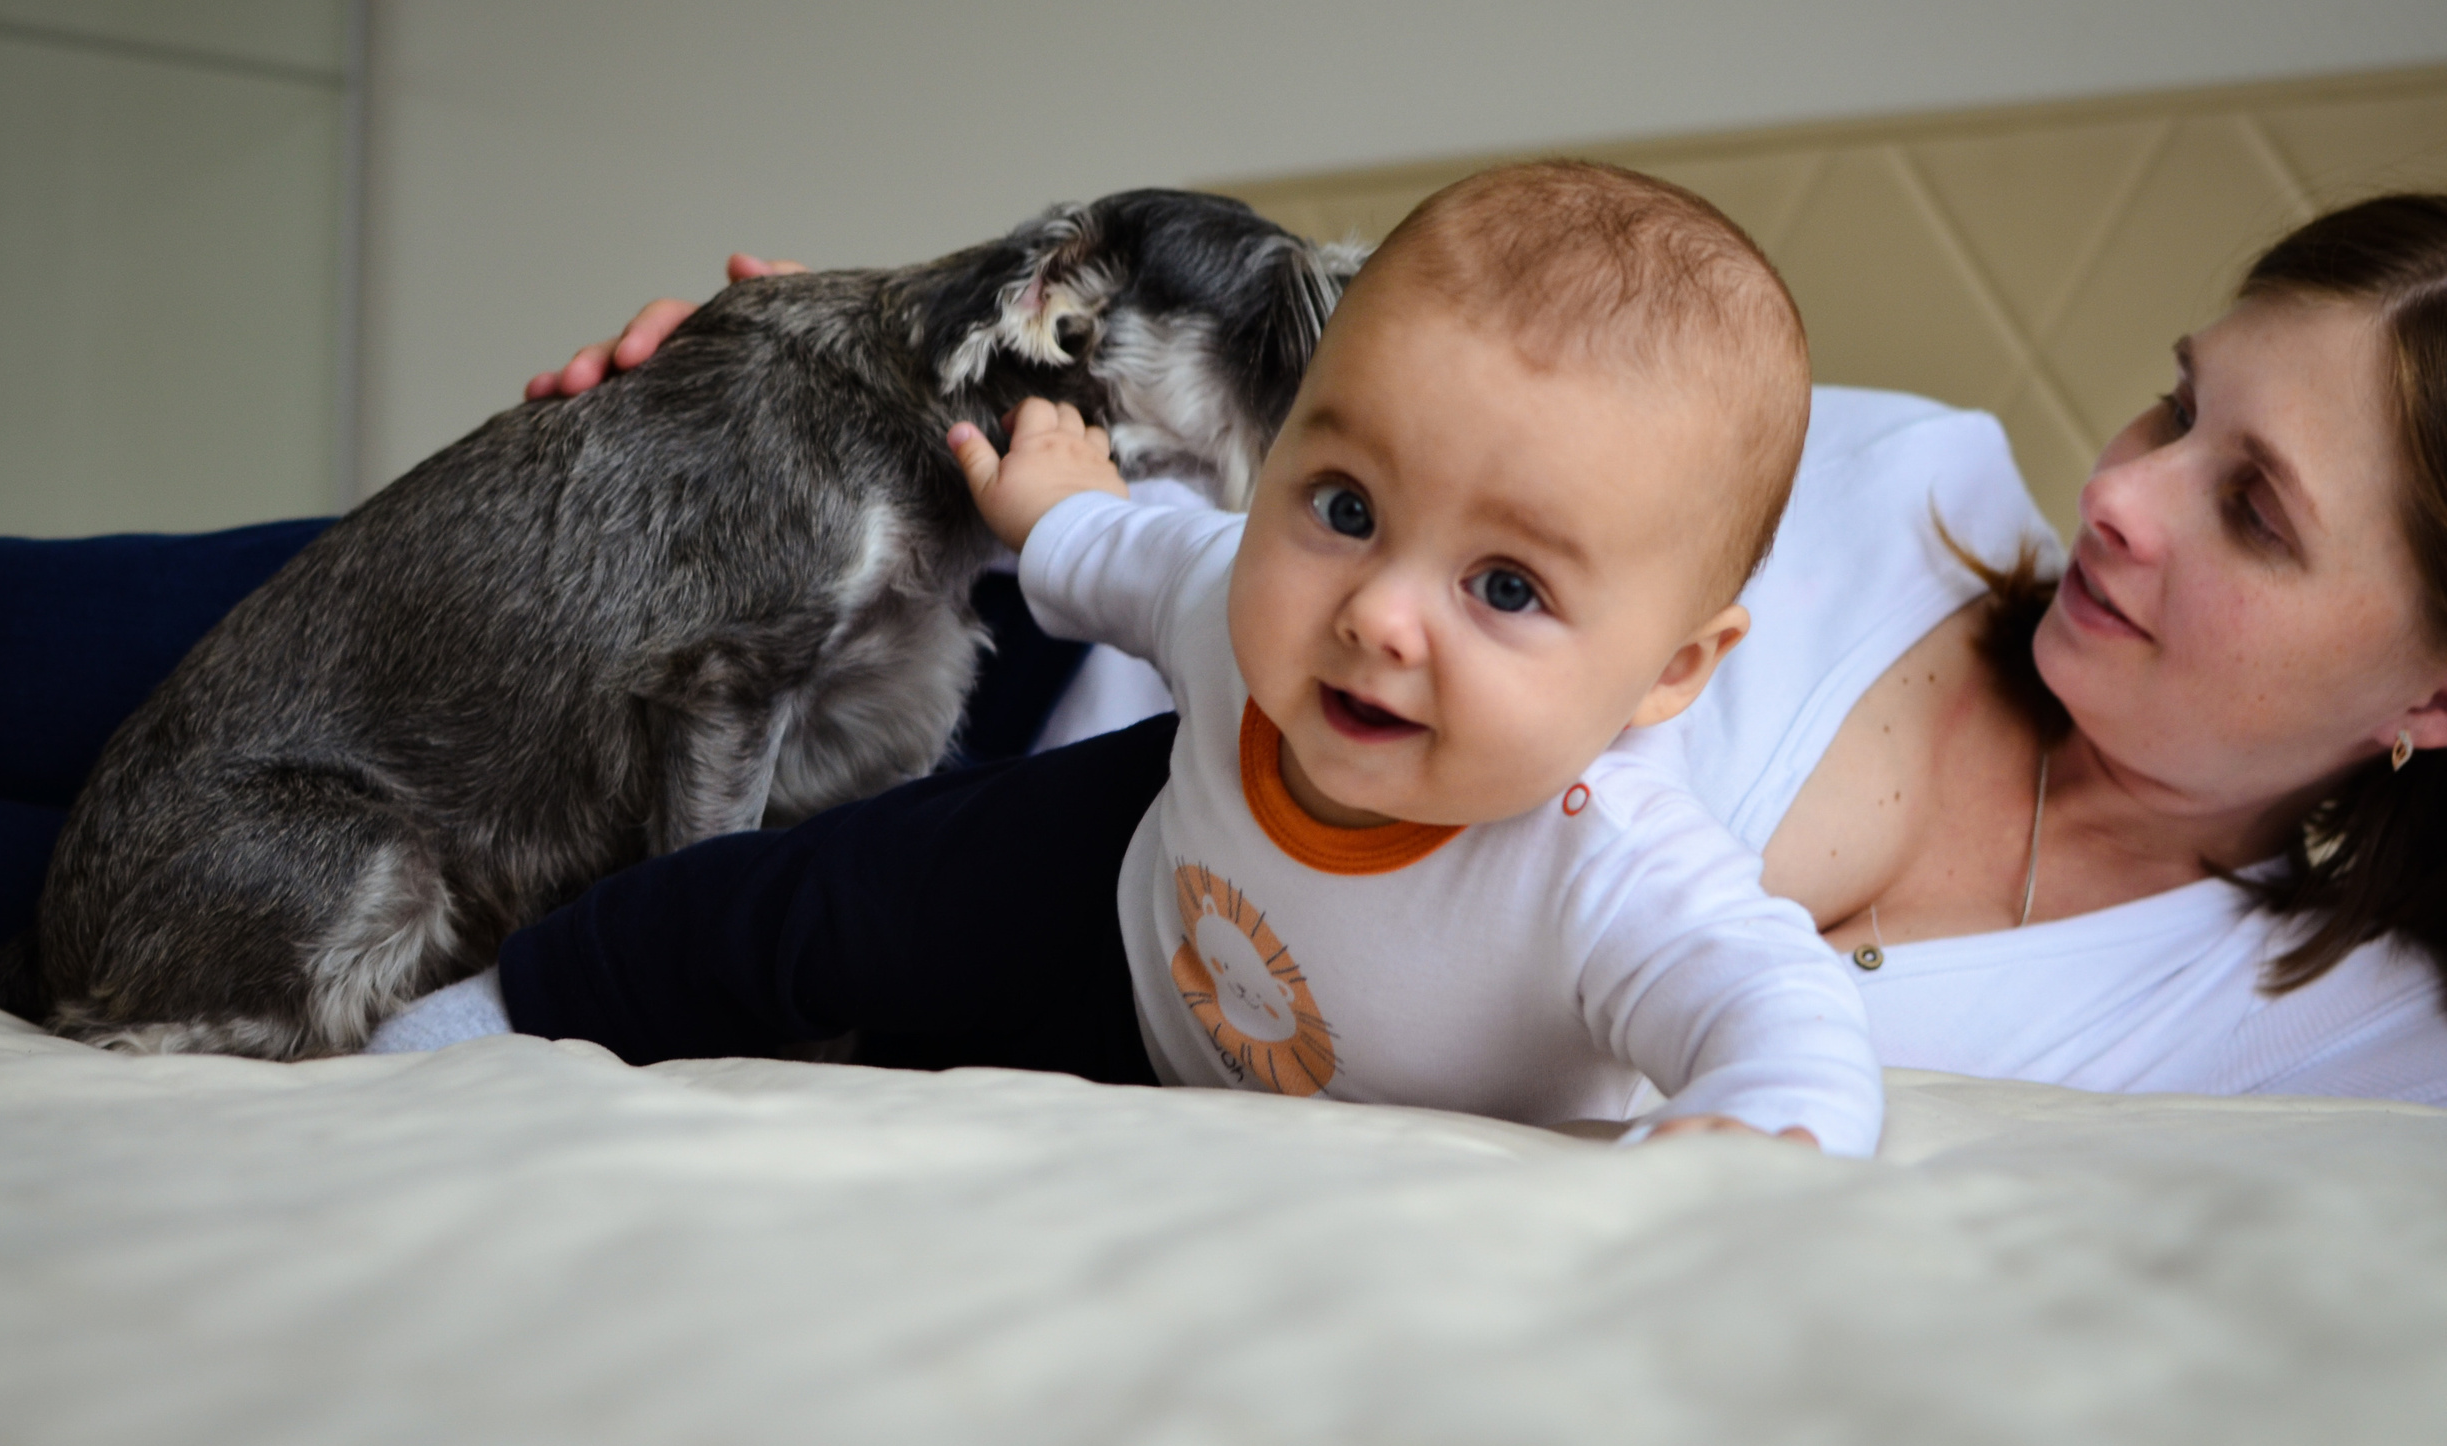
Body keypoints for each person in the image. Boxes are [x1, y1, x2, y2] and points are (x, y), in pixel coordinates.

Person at [446, 187, 2447, 1109]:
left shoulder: (2344, 1038)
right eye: (2177, 405)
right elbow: (1363, 401)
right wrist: (862, 357)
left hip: (1137, 1014)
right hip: (1017, 667)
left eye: (2253, 512)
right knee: (275, 675)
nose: (2125, 494)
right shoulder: (1887, 472)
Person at [405, 162, 1891, 1152]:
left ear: (1670, 674)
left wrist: (1763, 1139)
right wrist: (1055, 503)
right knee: (820, 896)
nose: (1377, 615)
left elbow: (1776, 1010)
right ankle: (507, 1006)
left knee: (917, 1065)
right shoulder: (1248, 608)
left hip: (1181, 1056)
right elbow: (1136, 558)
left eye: (1504, 586)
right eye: (1346, 507)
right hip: (1122, 882)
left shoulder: (1610, 870)